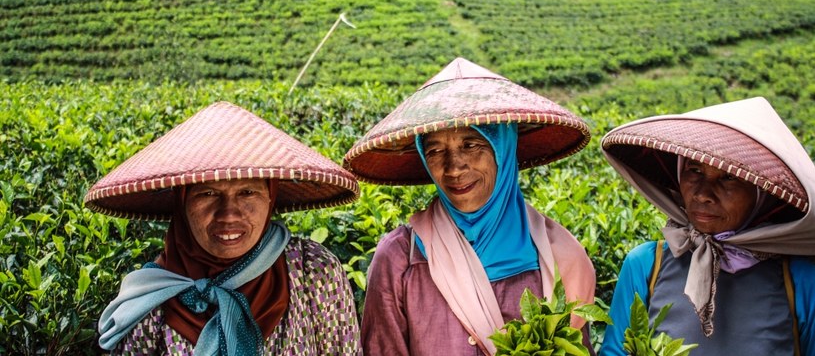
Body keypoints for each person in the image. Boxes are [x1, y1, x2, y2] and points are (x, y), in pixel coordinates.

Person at [343, 57, 597, 356]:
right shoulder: (401, 258)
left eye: (471, 145)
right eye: (436, 151)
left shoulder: (559, 256)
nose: (453, 168)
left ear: (503, 149)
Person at [84, 101, 362, 356]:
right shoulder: (150, 303)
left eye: (247, 193)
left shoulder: (312, 271)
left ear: (270, 197)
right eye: (207, 194)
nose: (229, 214)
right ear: (182, 204)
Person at [598, 97, 815, 355]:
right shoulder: (646, 265)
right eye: (694, 170)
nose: (703, 194)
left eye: (729, 177)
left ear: (761, 193)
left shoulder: (800, 277)